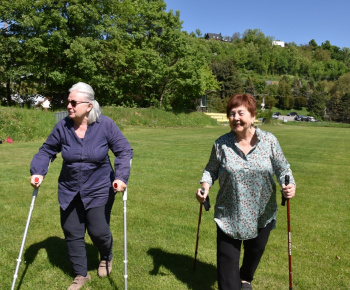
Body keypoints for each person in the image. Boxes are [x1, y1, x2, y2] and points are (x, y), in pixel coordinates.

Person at [30, 82, 133, 290]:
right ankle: (81, 274)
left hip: (99, 187)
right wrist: (38, 171)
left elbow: (124, 151)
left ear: (88, 105)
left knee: (98, 230)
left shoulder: (105, 125)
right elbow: (46, 151)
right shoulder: (63, 127)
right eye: (68, 101)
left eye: (73, 102)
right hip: (69, 188)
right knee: (72, 231)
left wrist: (121, 177)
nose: (69, 105)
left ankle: (106, 255)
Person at [196, 94, 295, 290]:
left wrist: (289, 185)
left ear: (252, 115)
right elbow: (211, 170)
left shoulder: (269, 141)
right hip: (229, 214)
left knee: (254, 252)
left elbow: (283, 169)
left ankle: (245, 279)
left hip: (261, 212)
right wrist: (204, 188)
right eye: (231, 114)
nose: (235, 118)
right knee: (226, 270)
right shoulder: (221, 144)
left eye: (240, 113)